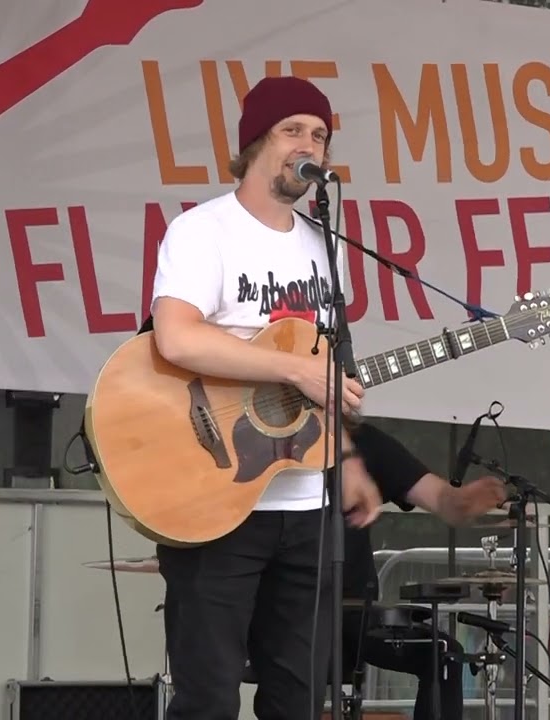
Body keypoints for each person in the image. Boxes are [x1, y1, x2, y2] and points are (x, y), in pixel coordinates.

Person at [149, 75, 386, 719]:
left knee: (300, 699)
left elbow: (325, 373)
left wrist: (348, 457)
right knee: (208, 697)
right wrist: (293, 370)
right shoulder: (203, 231)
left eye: (321, 135)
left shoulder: (324, 248)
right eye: (293, 130)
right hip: (216, 496)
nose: (309, 144)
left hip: (307, 503)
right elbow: (176, 336)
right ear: (255, 141)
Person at [339, 423, 508, 720]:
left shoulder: (364, 440)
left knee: (442, 654)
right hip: (290, 613)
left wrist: (464, 502)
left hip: (355, 612)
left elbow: (441, 498)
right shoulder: (276, 442)